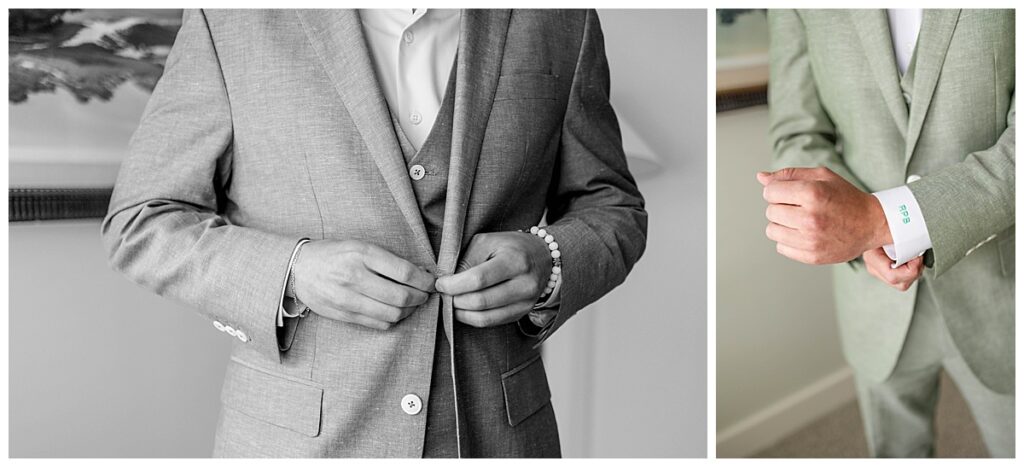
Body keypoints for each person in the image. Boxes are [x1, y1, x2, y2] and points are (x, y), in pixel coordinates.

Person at [102, 9, 647, 458]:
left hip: (501, 439)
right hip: (293, 442)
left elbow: (612, 204)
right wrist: (295, 272)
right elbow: (143, 221)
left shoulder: (560, 19)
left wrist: (549, 260)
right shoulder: (230, 19)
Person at [760, 9, 1014, 457]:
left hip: (1004, 288)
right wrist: (857, 234)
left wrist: (880, 221)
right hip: (874, 296)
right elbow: (798, 132)